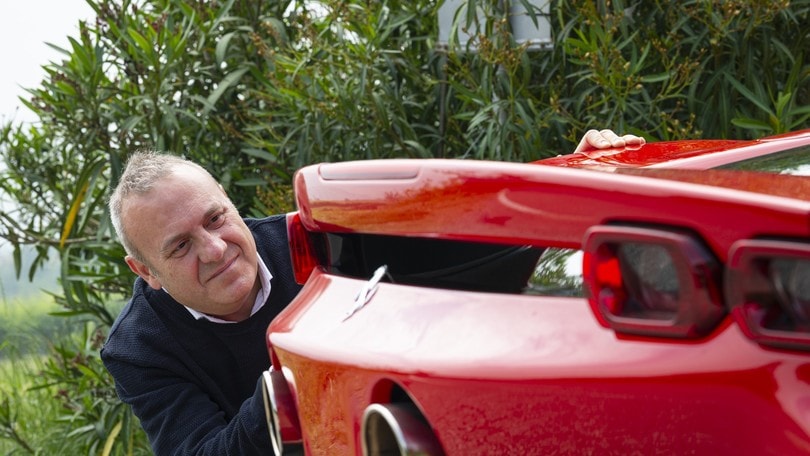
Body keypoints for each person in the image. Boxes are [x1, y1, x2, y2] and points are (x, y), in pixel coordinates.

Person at [100, 129, 645, 455]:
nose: (215, 250)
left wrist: (572, 179)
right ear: (144, 271)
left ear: (229, 201)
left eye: (217, 218)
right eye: (179, 248)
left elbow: (466, 235)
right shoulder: (138, 350)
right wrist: (294, 370)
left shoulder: (319, 236)